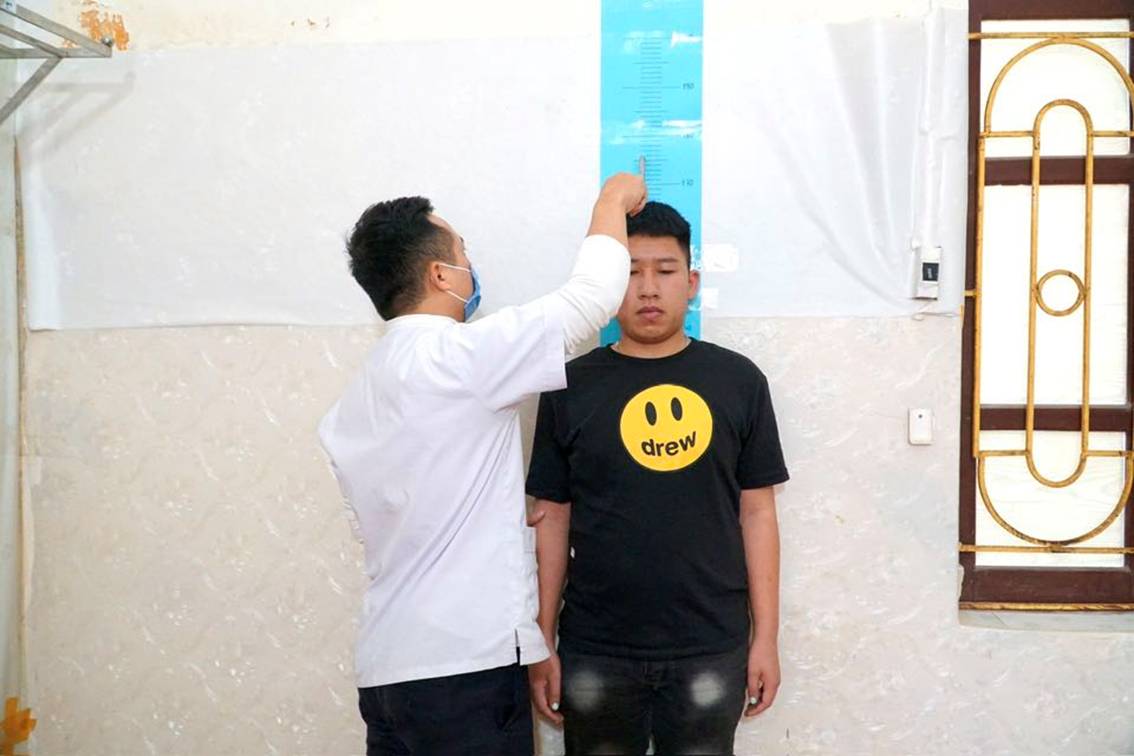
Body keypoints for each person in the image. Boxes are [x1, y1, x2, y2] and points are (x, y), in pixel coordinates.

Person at [318, 173, 647, 755]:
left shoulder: (350, 404)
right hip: (463, 671)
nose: (471, 265)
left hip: (387, 672)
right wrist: (612, 200)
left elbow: (408, 520)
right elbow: (592, 298)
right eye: (463, 252)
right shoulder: (458, 357)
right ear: (441, 275)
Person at [525, 201, 789, 755]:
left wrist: (765, 637)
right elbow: (551, 517)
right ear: (606, 288)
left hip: (710, 644)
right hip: (596, 645)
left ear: (691, 283)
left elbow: (758, 513)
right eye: (630, 273)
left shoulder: (739, 381)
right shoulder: (568, 386)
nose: (648, 289)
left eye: (665, 271)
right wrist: (542, 635)